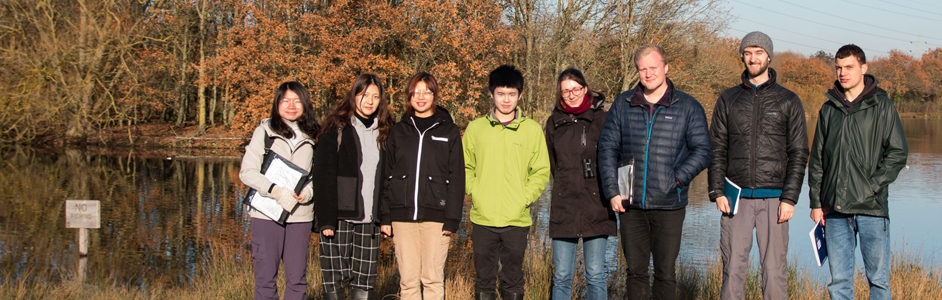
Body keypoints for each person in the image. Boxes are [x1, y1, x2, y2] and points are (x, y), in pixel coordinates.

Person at [598, 44, 712, 300]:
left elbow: (703, 151)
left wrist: (677, 179)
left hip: (669, 203)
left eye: (653, 68)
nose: (648, 74)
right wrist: (613, 191)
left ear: (666, 68)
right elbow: (607, 148)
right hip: (631, 205)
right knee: (635, 272)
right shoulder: (623, 103)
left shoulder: (688, 106)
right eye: (642, 69)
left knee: (665, 273)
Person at [708, 31, 809, 300]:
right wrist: (717, 191)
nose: (753, 58)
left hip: (775, 200)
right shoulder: (728, 99)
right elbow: (716, 148)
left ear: (769, 56)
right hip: (735, 198)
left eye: (758, 53)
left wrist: (790, 198)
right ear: (742, 57)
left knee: (774, 273)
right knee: (732, 270)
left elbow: (799, 153)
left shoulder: (789, 100)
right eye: (748, 53)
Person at [808, 44, 908, 300]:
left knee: (878, 281)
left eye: (849, 67)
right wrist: (816, 203)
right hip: (835, 210)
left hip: (871, 208)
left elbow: (897, 153)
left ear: (864, 68)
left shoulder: (882, 106)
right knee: (839, 283)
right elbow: (817, 159)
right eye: (838, 68)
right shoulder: (829, 109)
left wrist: (872, 186)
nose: (842, 73)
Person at [463, 65, 550, 300]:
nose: (506, 100)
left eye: (512, 94)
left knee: (513, 279)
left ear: (519, 95)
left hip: (516, 219)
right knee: (484, 280)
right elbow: (464, 167)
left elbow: (541, 171)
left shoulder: (531, 130)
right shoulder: (476, 129)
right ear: (491, 94)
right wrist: (475, 192)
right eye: (500, 94)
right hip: (483, 218)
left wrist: (524, 198)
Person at [380, 72, 465, 300]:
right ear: (409, 96)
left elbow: (457, 177)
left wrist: (452, 218)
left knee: (432, 279)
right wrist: (386, 216)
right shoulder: (399, 131)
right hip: (402, 216)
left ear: (434, 96)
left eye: (427, 92)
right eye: (416, 92)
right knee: (408, 281)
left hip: (437, 217)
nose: (421, 97)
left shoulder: (448, 131)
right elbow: (387, 175)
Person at [313, 74, 395, 300]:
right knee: (334, 279)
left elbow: (388, 179)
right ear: (354, 95)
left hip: (370, 220)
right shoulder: (336, 128)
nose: (369, 101)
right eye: (364, 95)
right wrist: (326, 219)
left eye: (375, 96)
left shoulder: (386, 131)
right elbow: (323, 176)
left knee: (364, 281)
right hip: (339, 218)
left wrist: (385, 217)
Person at [239, 81, 320, 300]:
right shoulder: (264, 132)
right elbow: (247, 173)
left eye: (297, 101)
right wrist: (276, 191)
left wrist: (308, 193)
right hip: (267, 213)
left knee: (297, 280)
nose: (291, 106)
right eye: (286, 101)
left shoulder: (314, 136)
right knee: (265, 279)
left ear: (305, 104)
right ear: (277, 104)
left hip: (300, 215)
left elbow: (319, 175)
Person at [543, 68, 615, 300]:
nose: (571, 94)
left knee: (595, 274)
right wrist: (566, 185)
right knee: (562, 275)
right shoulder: (554, 123)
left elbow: (612, 158)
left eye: (575, 89)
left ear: (585, 89)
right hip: (564, 207)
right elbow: (553, 164)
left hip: (597, 206)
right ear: (560, 94)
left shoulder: (603, 120)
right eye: (566, 91)